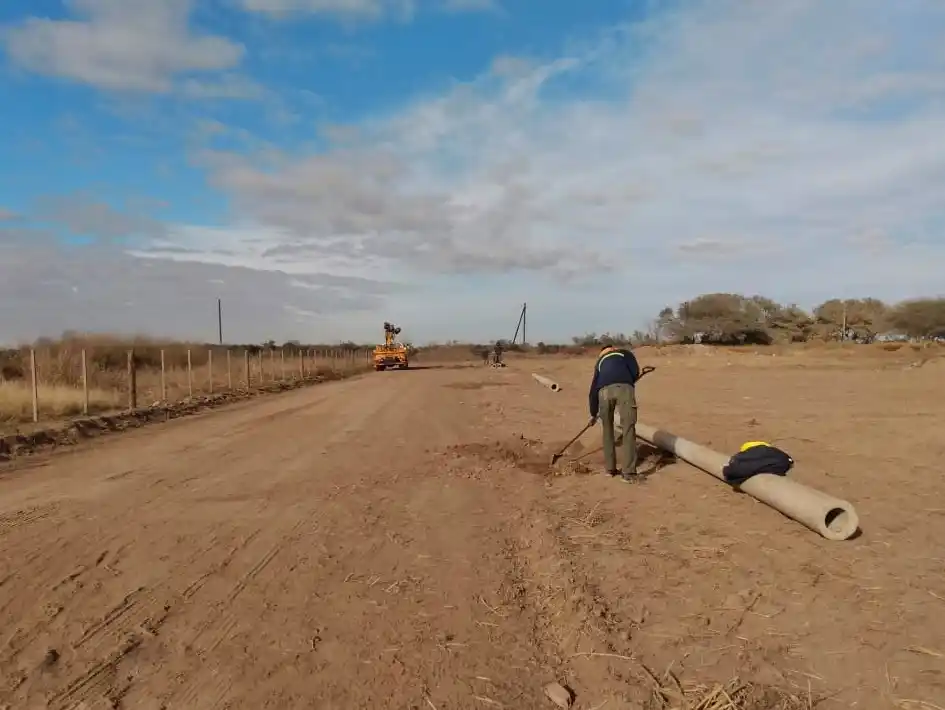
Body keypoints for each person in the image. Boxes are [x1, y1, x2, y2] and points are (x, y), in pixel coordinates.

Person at [588, 344, 642, 482]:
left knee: (607, 429)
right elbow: (635, 371)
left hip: (603, 393)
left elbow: (593, 390)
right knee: (628, 428)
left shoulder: (599, 362)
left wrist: (593, 413)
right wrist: (628, 378)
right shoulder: (623, 353)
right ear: (613, 349)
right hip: (623, 388)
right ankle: (628, 473)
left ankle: (610, 469)